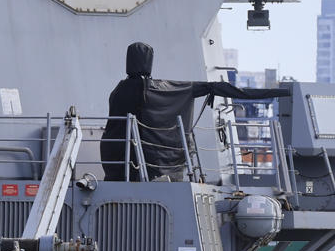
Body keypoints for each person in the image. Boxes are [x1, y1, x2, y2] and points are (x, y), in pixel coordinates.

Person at [101, 42, 292, 181]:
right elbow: (216, 88)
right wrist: (279, 92)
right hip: (155, 167)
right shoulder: (161, 89)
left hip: (116, 164)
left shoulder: (117, 91)